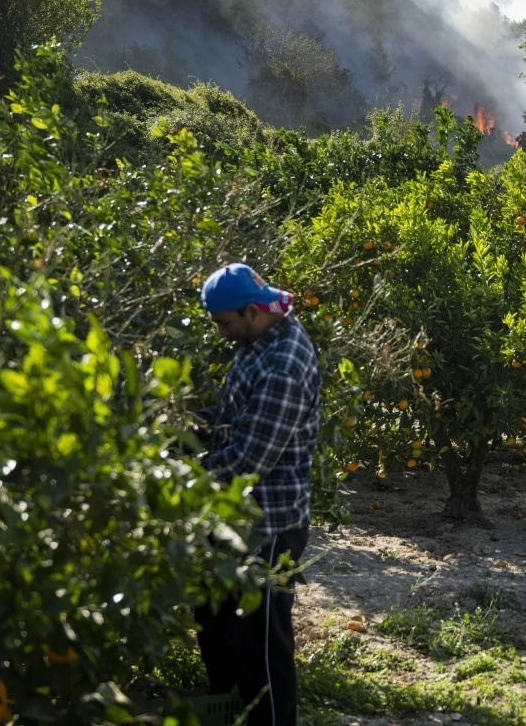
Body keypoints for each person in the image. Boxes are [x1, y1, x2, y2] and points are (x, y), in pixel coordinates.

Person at [195, 262, 321, 726]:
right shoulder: (256, 341)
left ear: (251, 311)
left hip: (267, 524)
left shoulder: (285, 360)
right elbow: (235, 416)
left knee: (259, 651)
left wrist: (181, 477)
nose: (222, 333)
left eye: (225, 323)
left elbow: (249, 459)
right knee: (219, 632)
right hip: (233, 519)